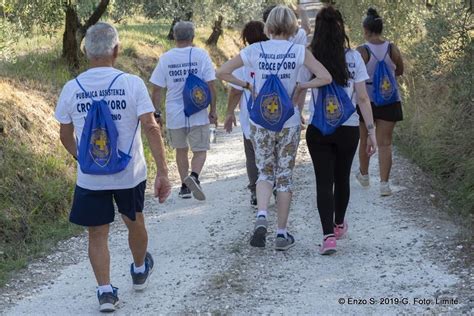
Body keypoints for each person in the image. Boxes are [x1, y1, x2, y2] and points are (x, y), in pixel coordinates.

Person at [55, 22, 171, 312]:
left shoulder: (72, 88)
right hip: (128, 175)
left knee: (96, 233)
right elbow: (151, 128)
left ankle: (105, 292)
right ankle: (140, 268)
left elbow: (65, 135)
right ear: (116, 50)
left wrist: (83, 159)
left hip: (90, 177)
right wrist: (164, 171)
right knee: (136, 222)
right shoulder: (131, 84)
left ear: (85, 51)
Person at [217, 5, 332, 251]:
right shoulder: (299, 51)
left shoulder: (253, 50)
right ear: (292, 27)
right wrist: (302, 86)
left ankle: (261, 215)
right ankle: (281, 233)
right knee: (284, 176)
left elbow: (222, 72)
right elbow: (326, 77)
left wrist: (247, 85)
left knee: (264, 171)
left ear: (268, 27)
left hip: (261, 120)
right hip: (288, 121)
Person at [297, 6, 377, 255]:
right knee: (342, 177)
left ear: (318, 30)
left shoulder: (309, 56)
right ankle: (339, 223)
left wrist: (297, 115)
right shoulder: (353, 58)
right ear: (341, 28)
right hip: (348, 127)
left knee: (323, 181)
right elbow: (363, 98)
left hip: (319, 128)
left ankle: (328, 237)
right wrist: (371, 132)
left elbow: (300, 89)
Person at [150, 21, 217, 201]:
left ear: (174, 36)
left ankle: (184, 187)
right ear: (193, 37)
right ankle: (194, 176)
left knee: (180, 150)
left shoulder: (166, 58)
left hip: (174, 113)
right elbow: (211, 85)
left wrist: (156, 113)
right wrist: (213, 110)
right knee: (200, 150)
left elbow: (156, 89)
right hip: (197, 111)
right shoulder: (201, 55)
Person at [355, 8, 404, 196]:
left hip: (367, 101)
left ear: (366, 30)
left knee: (363, 140)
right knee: (385, 143)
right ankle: (384, 184)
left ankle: (365, 175)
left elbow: (354, 77)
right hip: (390, 100)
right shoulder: (392, 48)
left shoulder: (362, 51)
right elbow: (400, 70)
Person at [224, 21, 268, 208]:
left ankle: (255, 192)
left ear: (246, 38)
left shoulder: (244, 57)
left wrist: (229, 113)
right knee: (270, 152)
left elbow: (235, 91)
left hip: (250, 114)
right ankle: (272, 185)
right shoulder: (272, 53)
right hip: (273, 112)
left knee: (252, 155)